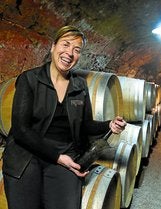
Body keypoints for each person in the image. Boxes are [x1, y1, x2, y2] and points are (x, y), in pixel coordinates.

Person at [2, 25, 126, 209]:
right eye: (65, 45)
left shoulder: (79, 85)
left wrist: (109, 124)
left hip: (66, 156)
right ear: (53, 46)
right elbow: (20, 129)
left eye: (77, 50)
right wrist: (57, 157)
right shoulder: (29, 79)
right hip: (27, 156)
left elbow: (86, 125)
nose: (70, 53)